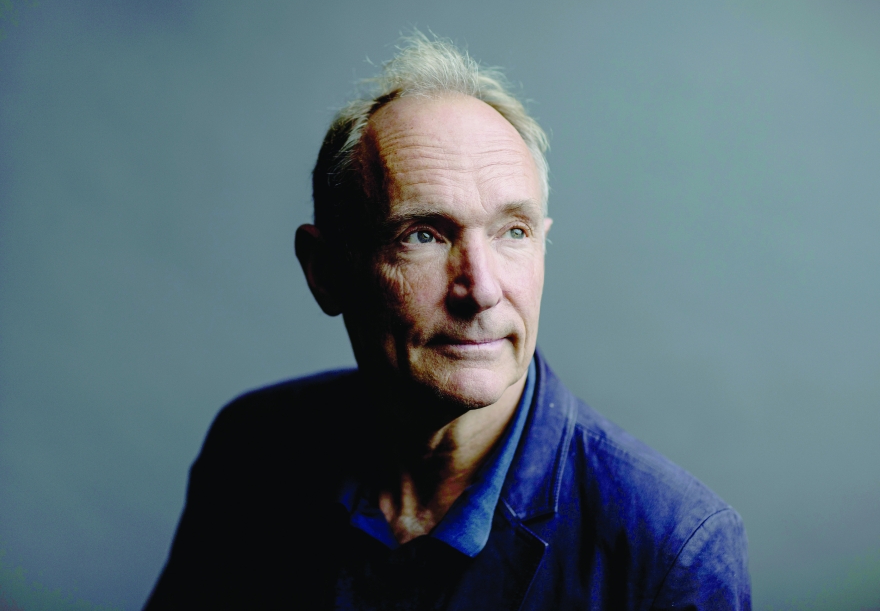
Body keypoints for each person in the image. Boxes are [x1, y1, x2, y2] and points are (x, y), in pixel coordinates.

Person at [144, 34, 750, 610]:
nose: (481, 290)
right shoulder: (252, 450)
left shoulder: (673, 550)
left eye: (513, 232)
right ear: (325, 271)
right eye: (423, 235)